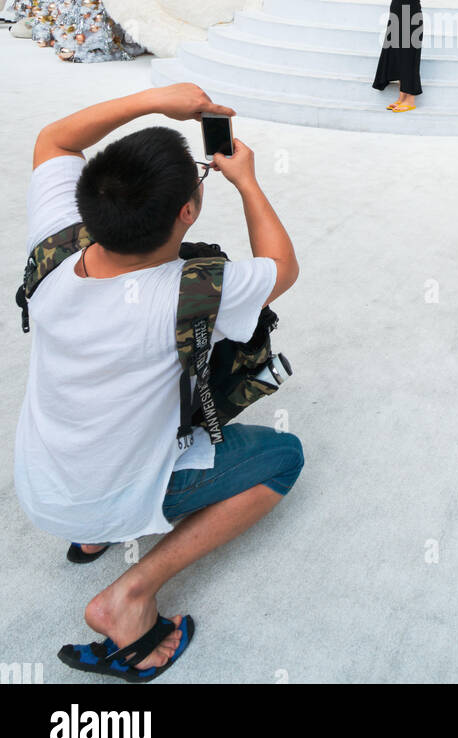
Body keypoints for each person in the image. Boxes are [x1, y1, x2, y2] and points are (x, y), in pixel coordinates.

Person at [14, 82, 302, 681]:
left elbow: (55, 138)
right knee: (283, 457)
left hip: (44, 482)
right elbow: (282, 266)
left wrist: (154, 100)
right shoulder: (193, 290)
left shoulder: (56, 244)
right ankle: (129, 598)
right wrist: (247, 180)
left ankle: (91, 538)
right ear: (187, 212)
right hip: (107, 489)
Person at [372, 0, 431, 113]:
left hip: (411, 19)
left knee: (408, 58)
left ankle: (410, 99)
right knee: (398, 57)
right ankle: (401, 97)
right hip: (396, 18)